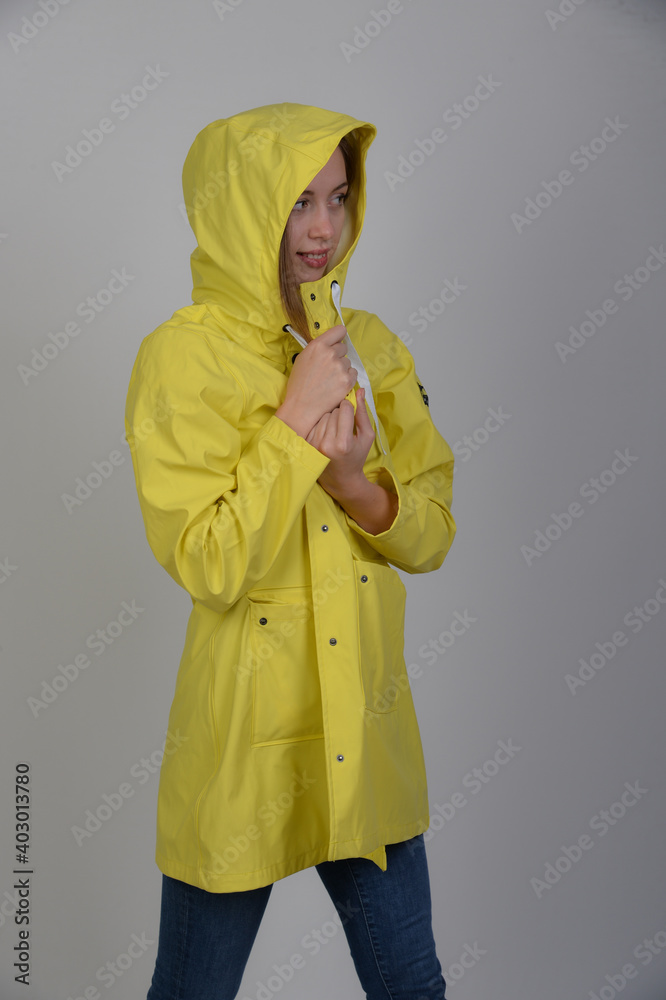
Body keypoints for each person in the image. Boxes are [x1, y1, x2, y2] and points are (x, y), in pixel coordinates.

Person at [124, 101, 457, 1000]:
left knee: (413, 986)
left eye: (339, 198)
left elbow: (431, 532)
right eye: (296, 201)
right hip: (243, 746)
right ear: (242, 208)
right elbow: (209, 562)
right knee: (194, 991)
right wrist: (295, 426)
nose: (322, 229)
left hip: (367, 730)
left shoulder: (372, 347)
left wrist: (354, 483)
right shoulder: (179, 359)